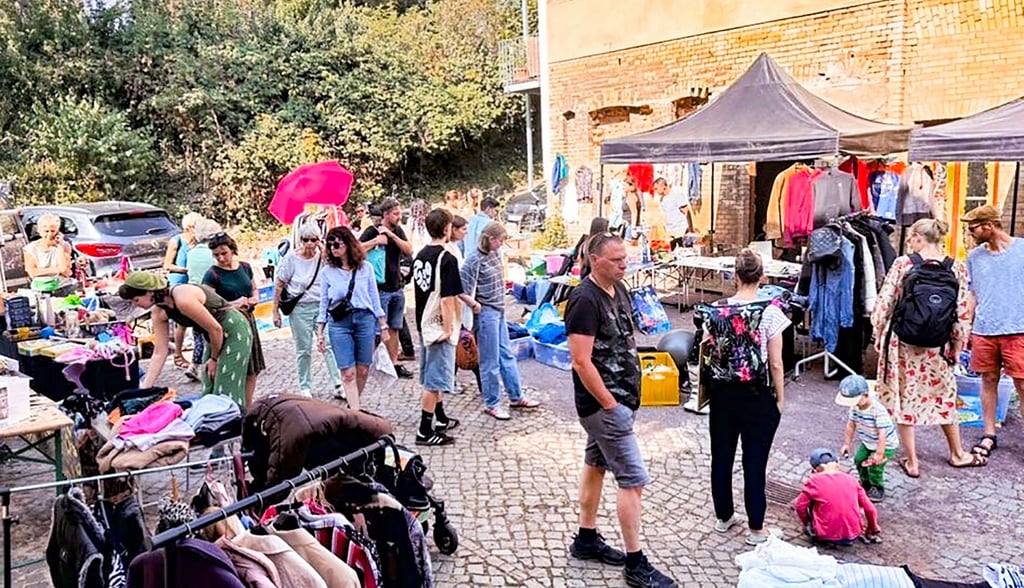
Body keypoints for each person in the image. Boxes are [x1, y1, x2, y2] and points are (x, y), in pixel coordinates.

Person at [565, 232, 676, 588]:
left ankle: (586, 539)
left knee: (595, 465)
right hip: (604, 407)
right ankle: (636, 563)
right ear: (594, 259)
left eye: (625, 259)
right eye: (616, 260)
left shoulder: (621, 289)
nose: (623, 264)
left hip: (620, 402)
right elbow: (581, 362)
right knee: (633, 481)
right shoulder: (583, 299)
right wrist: (611, 405)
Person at [870, 218, 984, 477]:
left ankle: (912, 462)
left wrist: (879, 332)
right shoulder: (956, 267)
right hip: (938, 345)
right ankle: (957, 453)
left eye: (911, 238)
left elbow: (884, 303)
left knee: (904, 396)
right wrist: (957, 346)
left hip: (902, 343)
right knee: (944, 394)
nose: (910, 243)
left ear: (919, 238)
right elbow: (962, 312)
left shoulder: (904, 264)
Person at [699, 249, 788, 545]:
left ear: (735, 276)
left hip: (723, 394)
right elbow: (776, 362)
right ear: (762, 276)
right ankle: (756, 528)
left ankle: (723, 517)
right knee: (755, 460)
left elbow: (705, 352)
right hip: (756, 394)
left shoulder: (715, 310)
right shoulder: (771, 311)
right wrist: (779, 398)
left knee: (721, 456)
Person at [118, 271, 252, 407]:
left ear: (149, 292)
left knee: (226, 384)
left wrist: (214, 359)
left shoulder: (182, 298)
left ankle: (237, 420)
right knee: (209, 384)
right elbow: (159, 352)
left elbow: (215, 329)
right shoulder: (158, 311)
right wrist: (144, 391)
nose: (136, 305)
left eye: (136, 300)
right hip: (213, 336)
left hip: (232, 328)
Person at [961, 204, 1024, 458]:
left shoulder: (1021, 250)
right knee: (987, 380)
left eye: (973, 228)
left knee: (1022, 383)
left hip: (1018, 328)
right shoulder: (975, 257)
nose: (970, 233)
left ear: (989, 226)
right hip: (984, 330)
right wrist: (966, 324)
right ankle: (989, 433)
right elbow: (973, 293)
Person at [462, 221, 540, 419]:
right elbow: (461, 289)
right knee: (490, 360)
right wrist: (474, 306)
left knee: (506, 355)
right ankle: (492, 403)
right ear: (490, 239)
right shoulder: (473, 260)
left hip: (499, 310)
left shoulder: (496, 254)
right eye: (501, 240)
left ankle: (516, 395)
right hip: (486, 313)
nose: (503, 244)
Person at [315, 226, 388, 411]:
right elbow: (324, 302)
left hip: (365, 320)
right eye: (330, 245)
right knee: (348, 372)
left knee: (363, 369)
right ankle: (354, 414)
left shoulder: (366, 268)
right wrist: (320, 332)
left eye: (337, 244)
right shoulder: (327, 272)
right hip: (340, 323)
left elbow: (374, 297)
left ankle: (351, 404)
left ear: (347, 244)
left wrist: (383, 324)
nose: (333, 248)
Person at [273, 223, 344, 399]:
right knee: (303, 349)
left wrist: (323, 248)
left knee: (329, 344)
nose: (310, 244)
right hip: (300, 309)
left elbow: (338, 265)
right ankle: (305, 386)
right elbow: (279, 284)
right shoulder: (291, 258)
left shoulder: (323, 256)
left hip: (321, 306)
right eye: (306, 240)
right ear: (300, 240)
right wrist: (274, 311)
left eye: (314, 240)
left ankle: (338, 383)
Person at [412, 208, 463, 446]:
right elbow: (447, 297)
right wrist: (449, 328)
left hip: (424, 321)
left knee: (435, 374)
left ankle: (440, 418)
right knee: (434, 380)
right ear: (446, 229)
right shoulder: (448, 258)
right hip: (438, 325)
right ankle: (424, 430)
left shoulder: (421, 254)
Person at [203, 232, 265, 408]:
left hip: (248, 319)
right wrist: (232, 305)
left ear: (232, 250)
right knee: (232, 367)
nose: (221, 258)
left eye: (224, 253)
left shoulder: (245, 267)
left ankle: (247, 406)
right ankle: (230, 408)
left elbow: (254, 288)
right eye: (216, 255)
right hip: (227, 325)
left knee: (252, 369)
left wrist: (254, 298)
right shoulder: (212, 274)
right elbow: (207, 304)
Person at [360, 198, 414, 379]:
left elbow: (408, 250)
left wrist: (391, 236)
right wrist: (376, 240)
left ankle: (393, 363)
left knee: (395, 327)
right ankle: (370, 362)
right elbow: (357, 250)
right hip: (379, 288)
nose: (399, 217)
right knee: (377, 329)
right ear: (385, 214)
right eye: (395, 214)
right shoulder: (371, 230)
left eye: (399, 213)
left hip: (396, 286)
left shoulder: (397, 231)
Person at [794, 448, 881, 546]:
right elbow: (870, 509)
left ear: (815, 470)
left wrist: (807, 522)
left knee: (804, 500)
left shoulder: (813, 482)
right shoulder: (852, 480)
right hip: (853, 534)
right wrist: (873, 528)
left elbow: (800, 507)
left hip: (826, 534)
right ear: (837, 465)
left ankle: (822, 535)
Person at [835, 375, 899, 502]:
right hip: (868, 441)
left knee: (875, 466)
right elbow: (851, 425)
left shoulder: (877, 410)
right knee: (859, 459)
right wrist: (847, 444)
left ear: (865, 395)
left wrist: (879, 453)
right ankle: (865, 482)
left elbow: (882, 433)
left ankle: (878, 487)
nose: (854, 404)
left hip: (885, 444)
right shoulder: (855, 407)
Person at [165, 212, 203, 377]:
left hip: (193, 282)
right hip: (178, 281)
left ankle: (195, 355)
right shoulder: (177, 241)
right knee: (181, 322)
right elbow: (168, 264)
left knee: (194, 321)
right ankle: (178, 354)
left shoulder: (198, 243)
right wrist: (186, 269)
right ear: (189, 227)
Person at [23, 213, 72, 279]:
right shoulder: (30, 248)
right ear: (39, 231)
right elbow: (32, 272)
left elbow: (65, 271)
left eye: (53, 231)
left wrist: (60, 247)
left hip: (61, 285)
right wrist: (58, 269)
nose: (50, 234)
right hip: (41, 286)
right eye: (46, 231)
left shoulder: (64, 246)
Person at [653, 177, 692, 250]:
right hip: (671, 231)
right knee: (674, 252)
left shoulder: (676, 195)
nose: (656, 191)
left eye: (656, 188)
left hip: (680, 229)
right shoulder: (662, 199)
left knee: (683, 251)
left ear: (663, 186)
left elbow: (686, 210)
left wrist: (690, 229)